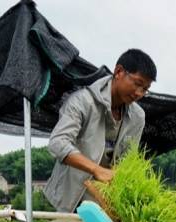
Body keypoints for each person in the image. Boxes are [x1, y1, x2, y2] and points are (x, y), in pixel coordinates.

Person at [45, 49, 156, 212]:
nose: (139, 93)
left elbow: (128, 160)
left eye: (145, 89)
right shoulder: (82, 101)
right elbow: (57, 143)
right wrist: (97, 170)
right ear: (119, 72)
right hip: (69, 200)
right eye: (137, 84)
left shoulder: (138, 116)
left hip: (105, 204)